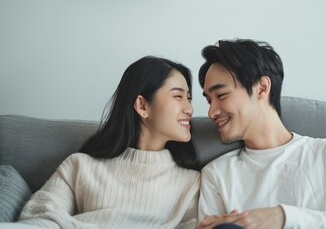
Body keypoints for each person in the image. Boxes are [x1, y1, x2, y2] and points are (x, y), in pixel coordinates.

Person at [197, 39, 326, 229]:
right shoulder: (216, 174)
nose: (211, 112)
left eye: (221, 95)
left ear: (262, 88)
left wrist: (282, 216)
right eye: (209, 101)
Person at [16, 56, 200, 229]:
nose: (189, 109)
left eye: (189, 99)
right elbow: (37, 219)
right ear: (142, 106)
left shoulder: (191, 182)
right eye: (178, 96)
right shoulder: (80, 166)